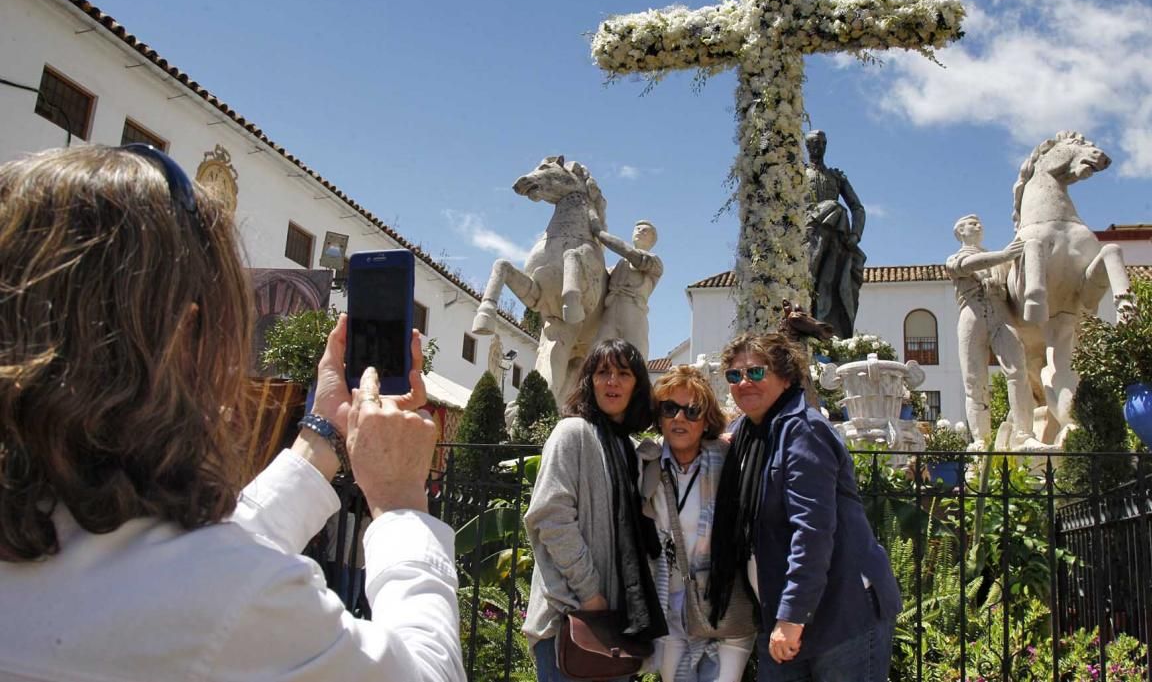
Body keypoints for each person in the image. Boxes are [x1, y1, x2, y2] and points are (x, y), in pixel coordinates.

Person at [0, 144, 465, 682]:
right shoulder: (227, 601)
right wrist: (402, 503)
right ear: (184, 337)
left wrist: (322, 432)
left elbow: (191, 557)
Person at [707, 332, 900, 682]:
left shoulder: (803, 432)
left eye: (756, 372)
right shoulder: (750, 434)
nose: (744, 382)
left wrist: (792, 617)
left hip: (839, 615)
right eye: (735, 375)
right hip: (782, 616)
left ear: (786, 376)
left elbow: (811, 531)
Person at [523, 338, 667, 681]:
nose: (612, 381)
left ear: (637, 385)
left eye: (623, 373)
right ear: (590, 381)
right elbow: (552, 517)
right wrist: (590, 596)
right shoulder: (573, 433)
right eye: (603, 372)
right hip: (573, 621)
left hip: (617, 627)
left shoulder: (629, 450)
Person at [638, 366, 755, 682]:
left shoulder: (729, 460)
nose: (680, 418)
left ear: (706, 421)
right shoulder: (644, 465)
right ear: (659, 415)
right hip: (672, 609)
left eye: (692, 411)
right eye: (670, 408)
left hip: (726, 606)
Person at [946, 214, 1037, 450]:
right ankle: (980, 441)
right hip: (972, 316)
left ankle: (1023, 434)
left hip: (1001, 314)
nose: (977, 225)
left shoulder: (1001, 262)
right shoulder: (955, 259)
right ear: (960, 232)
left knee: (1018, 371)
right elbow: (968, 266)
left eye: (978, 223)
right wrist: (1005, 255)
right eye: (970, 223)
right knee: (974, 381)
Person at [804, 130, 867, 339]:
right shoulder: (798, 174)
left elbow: (857, 207)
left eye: (821, 143)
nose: (817, 147)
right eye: (813, 143)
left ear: (826, 146)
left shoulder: (836, 177)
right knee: (808, 283)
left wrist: (855, 235)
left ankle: (828, 332)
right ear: (806, 147)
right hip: (809, 237)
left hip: (837, 241)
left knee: (829, 285)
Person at [592, 219, 664, 360]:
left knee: (635, 355)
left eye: (645, 231)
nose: (640, 232)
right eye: (637, 229)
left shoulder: (654, 261)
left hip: (633, 310)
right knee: (596, 353)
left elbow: (629, 252)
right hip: (610, 311)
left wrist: (599, 234)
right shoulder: (619, 264)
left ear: (653, 240)